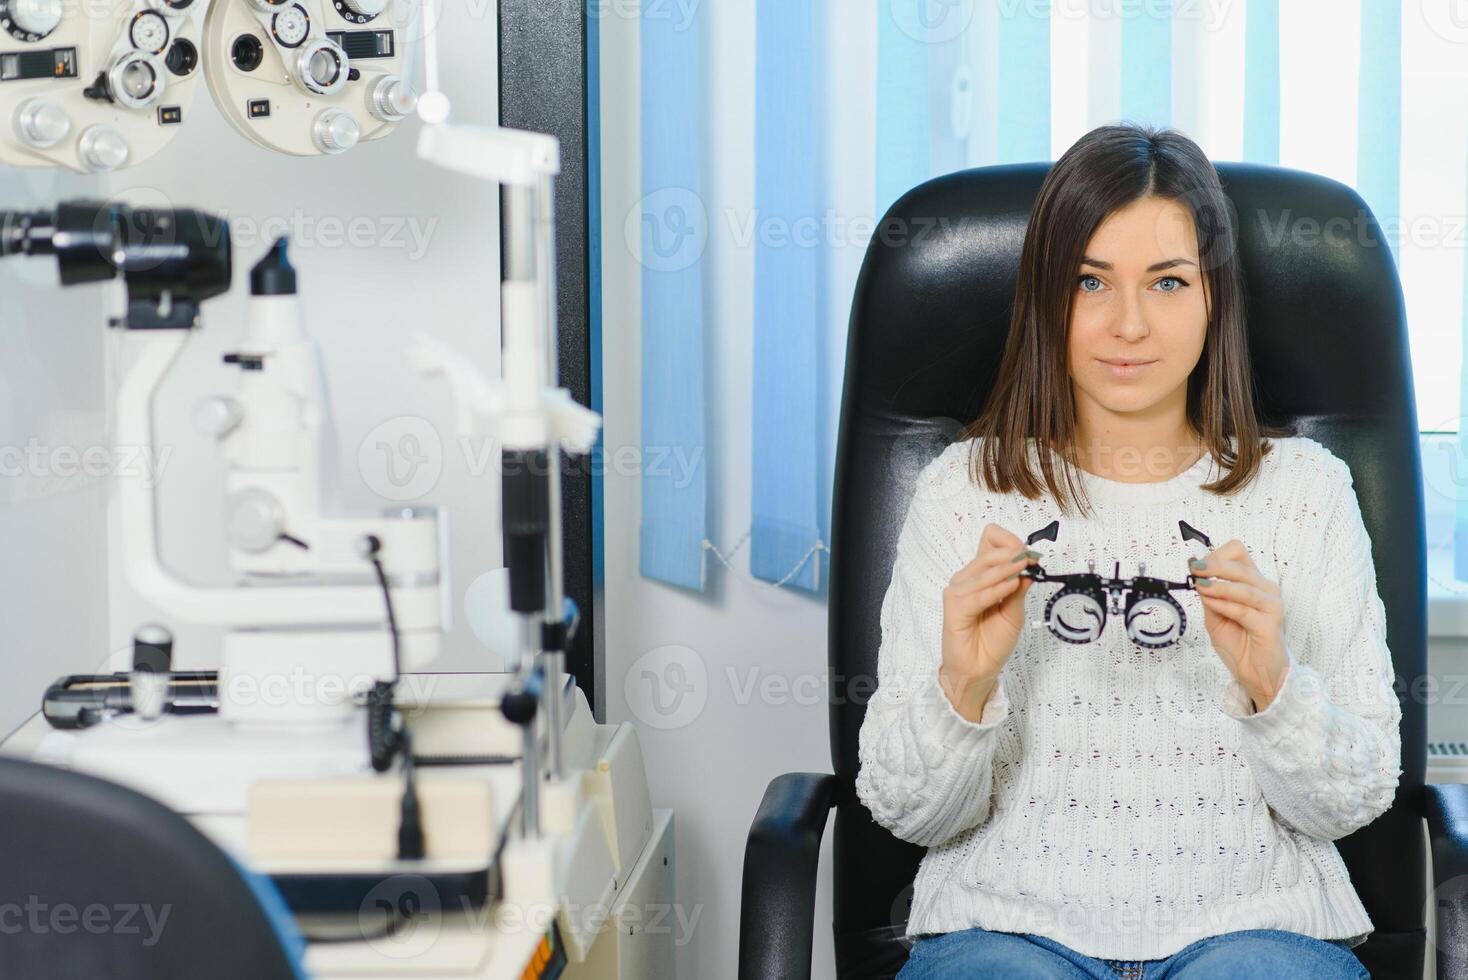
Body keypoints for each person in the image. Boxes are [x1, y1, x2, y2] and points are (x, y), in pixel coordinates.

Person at [855, 122, 1401, 980]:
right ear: (1046, 298)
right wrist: (963, 686)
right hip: (1006, 930)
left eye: (1169, 282)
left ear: (1213, 297)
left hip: (1254, 930)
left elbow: (1356, 798)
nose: (1130, 324)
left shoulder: (1306, 492)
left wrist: (1275, 687)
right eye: (1089, 282)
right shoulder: (964, 494)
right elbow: (906, 812)